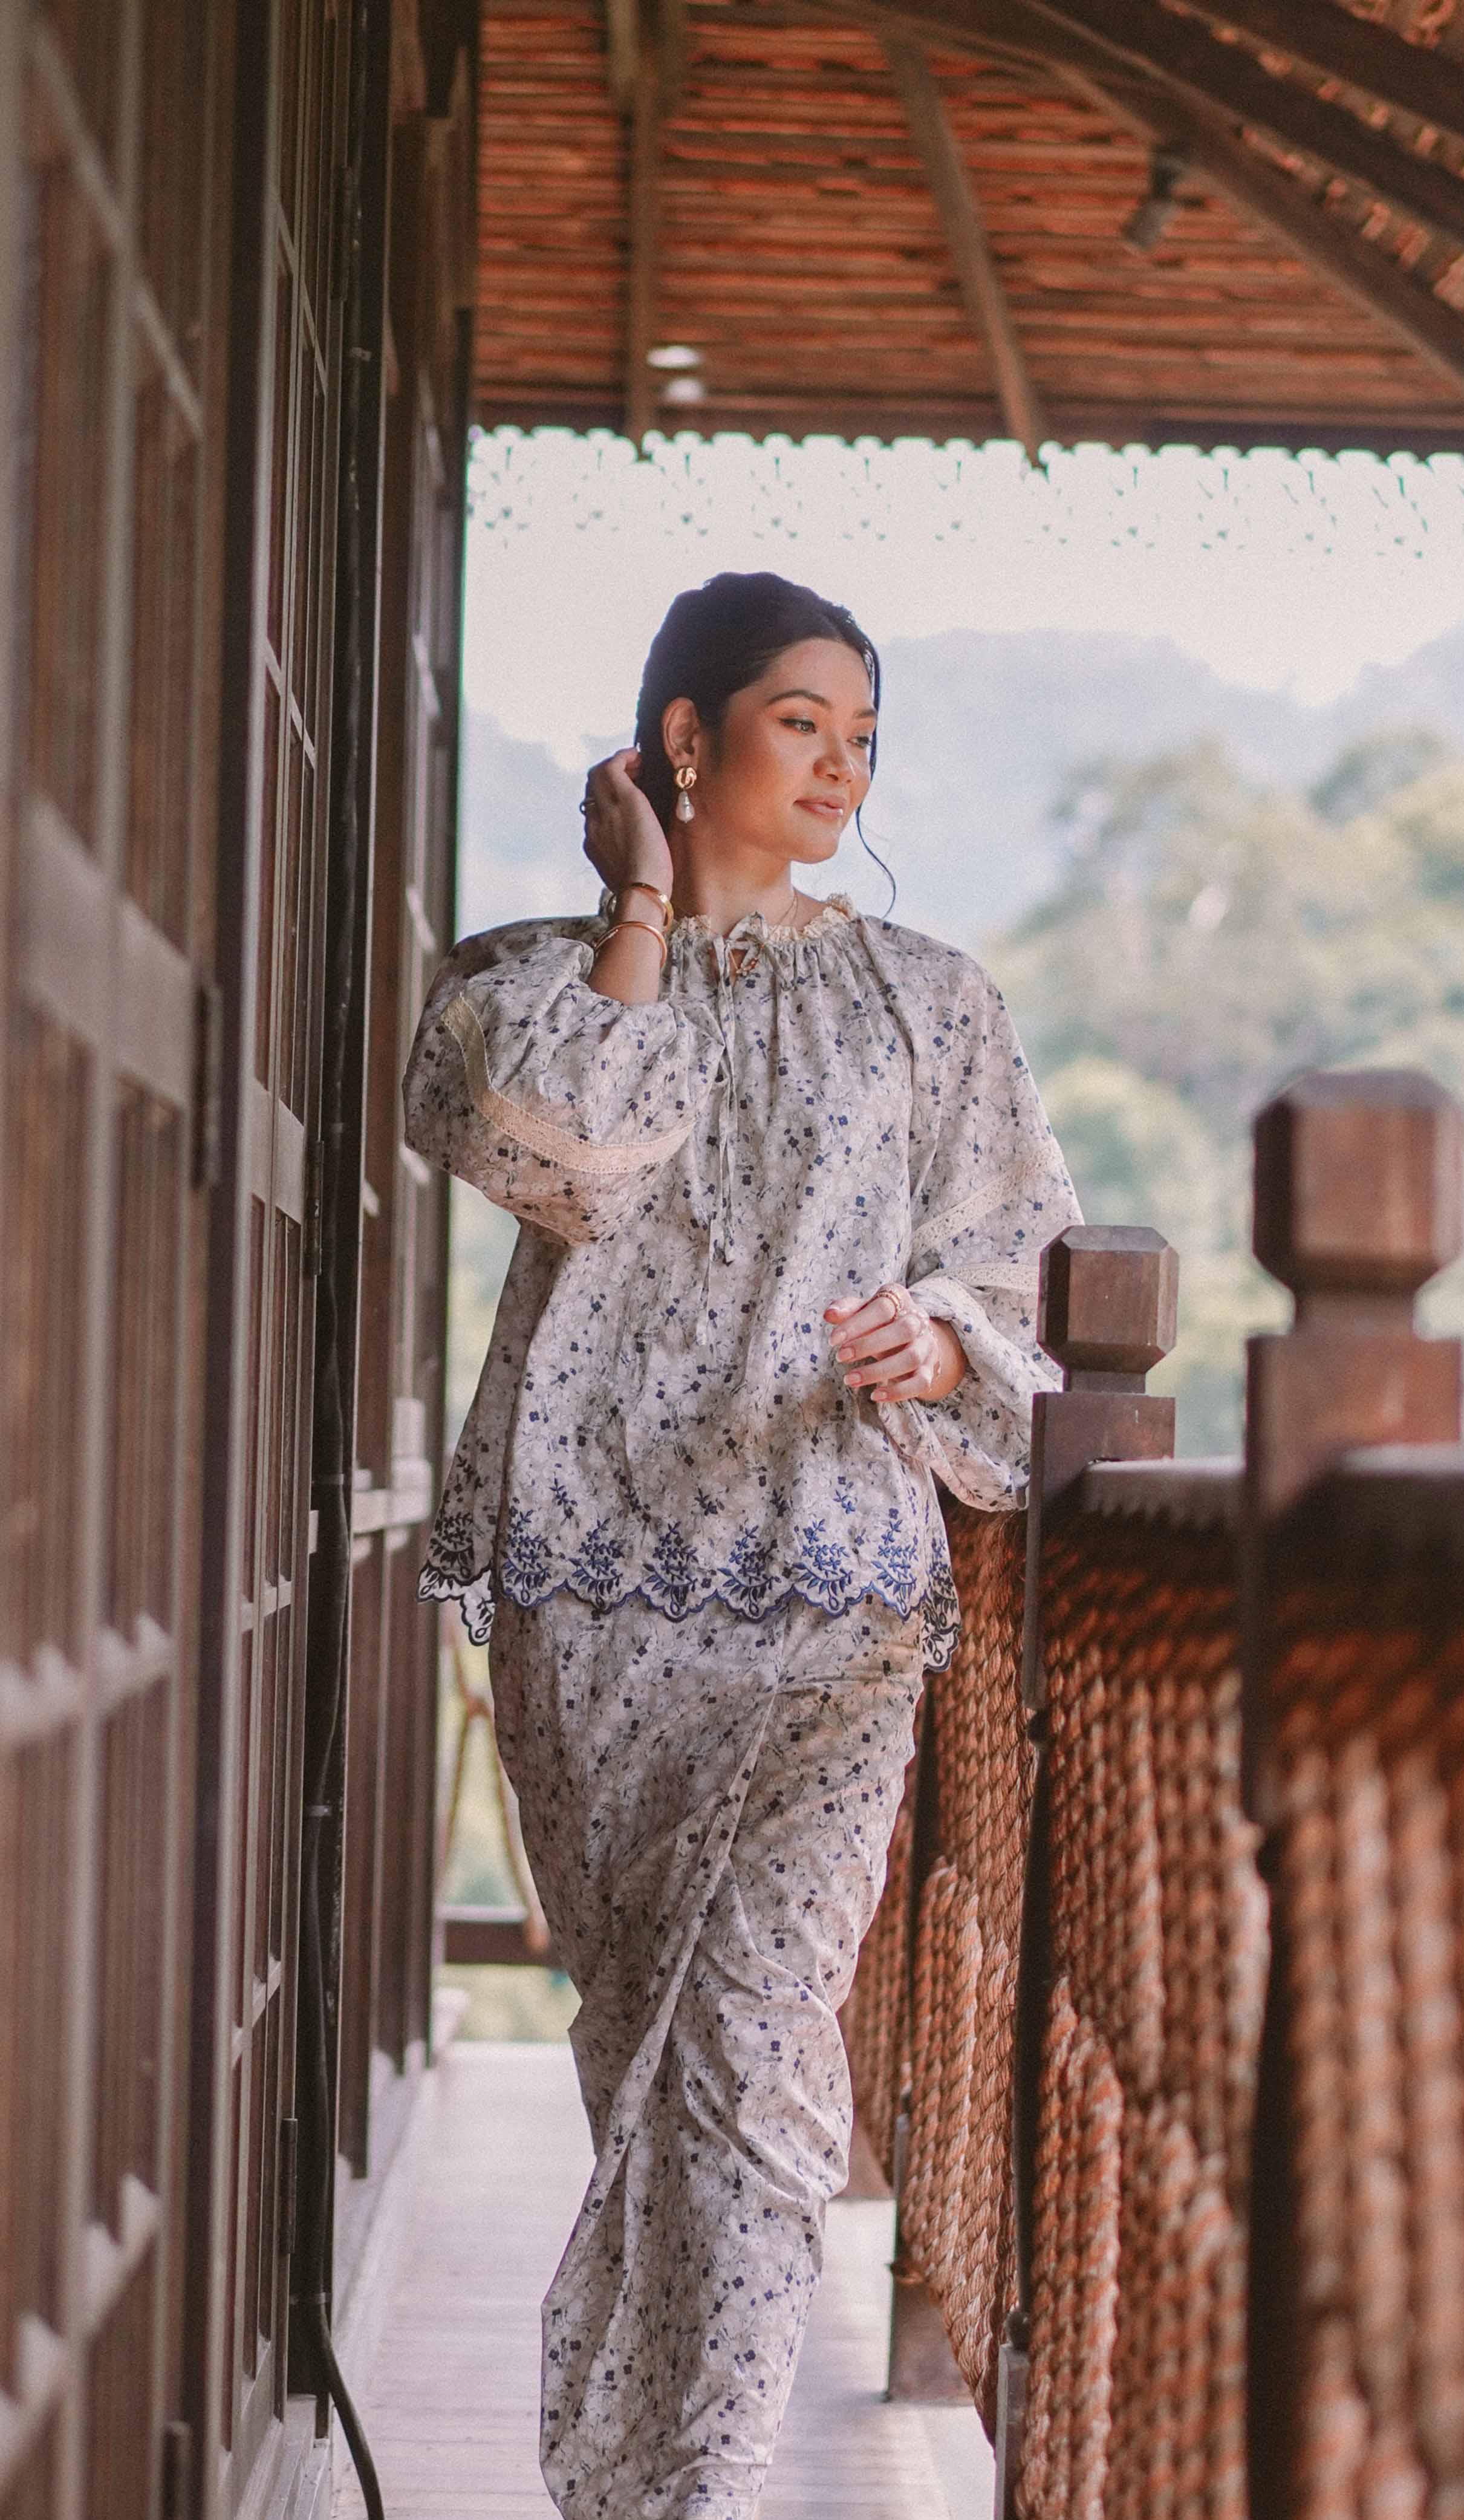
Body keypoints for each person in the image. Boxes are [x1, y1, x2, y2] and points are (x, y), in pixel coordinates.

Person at [403, 570, 1081, 2518]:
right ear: (681, 741)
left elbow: (1017, 1252)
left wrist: (943, 1331)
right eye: (804, 723)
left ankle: (688, 2494)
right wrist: (641, 907)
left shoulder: (926, 998)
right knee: (649, 2048)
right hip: (593, 1592)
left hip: (839, 1603)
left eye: (867, 736)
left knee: (764, 2048)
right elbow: (562, 1163)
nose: (847, 767)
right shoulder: (523, 982)